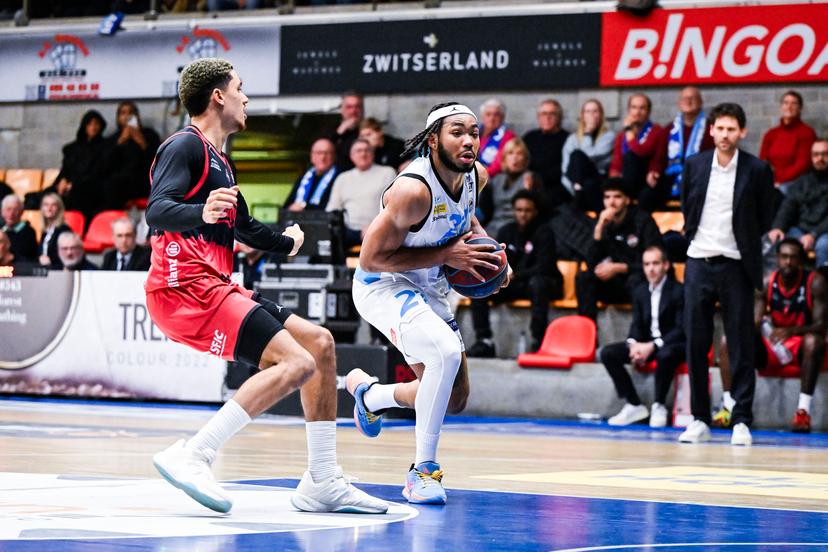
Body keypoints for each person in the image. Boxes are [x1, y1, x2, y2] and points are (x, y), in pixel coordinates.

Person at [144, 58, 387, 515]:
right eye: (240, 87)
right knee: (296, 363)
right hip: (183, 288)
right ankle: (195, 453)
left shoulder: (221, 162)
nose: (246, 97)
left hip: (214, 284)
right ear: (218, 96)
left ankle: (322, 480)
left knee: (319, 345)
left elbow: (243, 224)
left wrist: (286, 242)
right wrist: (201, 213)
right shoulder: (184, 146)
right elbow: (157, 211)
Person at [347, 102, 507, 505]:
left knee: (454, 398)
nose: (468, 139)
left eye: (473, 131)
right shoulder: (412, 191)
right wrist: (446, 257)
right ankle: (422, 472)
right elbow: (369, 259)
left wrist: (491, 259)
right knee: (445, 352)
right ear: (433, 139)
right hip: (382, 284)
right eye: (457, 131)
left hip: (428, 284)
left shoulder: (476, 177)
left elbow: (466, 220)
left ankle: (372, 396)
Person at [679, 102, 776, 447]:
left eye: (731, 129)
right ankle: (699, 419)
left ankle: (741, 420)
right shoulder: (694, 164)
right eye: (719, 128)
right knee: (696, 343)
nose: (724, 135)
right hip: (698, 260)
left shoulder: (757, 169)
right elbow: (688, 206)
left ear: (743, 132)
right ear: (711, 130)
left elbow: (766, 215)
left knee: (740, 344)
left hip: (736, 263)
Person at [714, 239, 826, 433]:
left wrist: (790, 331)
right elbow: (756, 322)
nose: (788, 262)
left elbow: (821, 325)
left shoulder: (815, 282)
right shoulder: (766, 282)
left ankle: (802, 411)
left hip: (800, 342)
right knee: (728, 340)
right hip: (773, 343)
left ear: (801, 261)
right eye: (784, 257)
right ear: (777, 259)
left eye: (793, 257)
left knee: (813, 341)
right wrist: (753, 326)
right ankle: (728, 406)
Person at [468, 189, 562, 358]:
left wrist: (515, 274)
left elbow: (544, 266)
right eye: (519, 210)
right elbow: (499, 260)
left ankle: (538, 341)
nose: (523, 214)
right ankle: (484, 341)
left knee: (538, 283)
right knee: (481, 287)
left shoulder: (545, 231)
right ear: (513, 211)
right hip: (515, 284)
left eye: (527, 210)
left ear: (535, 211)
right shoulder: (506, 231)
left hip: (544, 283)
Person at [600, 245, 685, 427]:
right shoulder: (640, 291)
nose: (651, 269)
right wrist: (633, 345)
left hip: (672, 344)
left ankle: (659, 405)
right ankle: (633, 404)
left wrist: (653, 346)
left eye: (655, 263)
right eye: (647, 264)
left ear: (666, 265)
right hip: (647, 344)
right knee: (608, 353)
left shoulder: (679, 291)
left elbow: (680, 329)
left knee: (665, 354)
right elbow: (637, 325)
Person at [575, 178, 662, 321]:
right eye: (607, 197)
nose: (611, 202)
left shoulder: (643, 221)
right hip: (614, 283)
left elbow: (656, 263)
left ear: (627, 200)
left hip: (639, 280)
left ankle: (641, 335)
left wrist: (619, 268)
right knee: (584, 278)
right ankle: (589, 334)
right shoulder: (603, 223)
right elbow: (591, 264)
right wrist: (598, 230)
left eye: (617, 197)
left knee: (637, 282)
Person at [767, 139, 828, 271]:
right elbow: (788, 206)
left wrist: (813, 234)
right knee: (777, 241)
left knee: (824, 246)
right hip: (800, 230)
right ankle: (774, 286)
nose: (820, 158)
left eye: (825, 154)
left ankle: (820, 286)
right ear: (811, 157)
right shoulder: (802, 181)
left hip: (824, 233)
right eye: (816, 154)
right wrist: (778, 227)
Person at [325, 138, 396, 248]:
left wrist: (373, 227)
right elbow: (332, 209)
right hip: (348, 231)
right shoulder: (343, 178)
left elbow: (393, 207)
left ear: (373, 154)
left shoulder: (387, 173)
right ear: (351, 156)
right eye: (358, 151)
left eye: (367, 150)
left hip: (379, 229)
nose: (363, 154)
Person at [609, 93, 668, 212]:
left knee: (631, 157)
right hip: (627, 180)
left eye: (642, 108)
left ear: (648, 111)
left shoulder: (657, 131)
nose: (637, 112)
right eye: (634, 107)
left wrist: (629, 132)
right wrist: (614, 178)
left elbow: (643, 152)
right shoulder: (621, 136)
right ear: (629, 110)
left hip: (647, 179)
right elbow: (616, 162)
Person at [102, 101, 161, 209]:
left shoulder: (150, 135)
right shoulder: (112, 139)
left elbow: (159, 160)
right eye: (123, 113)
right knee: (110, 184)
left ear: (137, 116)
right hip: (121, 182)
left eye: (131, 113)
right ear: (118, 118)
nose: (127, 116)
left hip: (144, 179)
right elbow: (106, 165)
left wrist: (141, 141)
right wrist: (121, 141)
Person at [478, 137, 542, 237]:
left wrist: (530, 193)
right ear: (504, 158)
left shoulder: (531, 178)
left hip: (517, 230)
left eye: (519, 154)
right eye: (510, 153)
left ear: (525, 159)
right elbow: (486, 209)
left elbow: (541, 209)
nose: (515, 158)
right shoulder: (497, 180)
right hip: (492, 228)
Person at [561, 99, 616, 213]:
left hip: (598, 179)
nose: (591, 115)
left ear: (601, 115)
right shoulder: (572, 139)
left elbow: (591, 155)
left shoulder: (609, 136)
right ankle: (578, 191)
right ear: (582, 115)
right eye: (588, 111)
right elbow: (566, 170)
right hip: (576, 186)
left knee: (577, 155)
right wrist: (574, 188)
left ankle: (579, 195)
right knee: (576, 158)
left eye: (595, 111)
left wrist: (587, 134)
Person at [759, 91, 817, 193]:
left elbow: (802, 165)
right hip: (773, 182)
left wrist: (779, 181)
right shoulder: (771, 134)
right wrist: (771, 181)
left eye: (794, 103)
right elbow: (763, 161)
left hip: (795, 182)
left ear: (799, 108)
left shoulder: (807, 133)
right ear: (781, 107)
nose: (789, 107)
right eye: (786, 103)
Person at [59, 109, 111, 222]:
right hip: (70, 185)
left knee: (79, 192)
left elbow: (100, 171)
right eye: (90, 124)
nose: (93, 127)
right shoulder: (72, 148)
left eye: (96, 124)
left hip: (92, 186)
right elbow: (66, 169)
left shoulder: (106, 147)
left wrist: (74, 184)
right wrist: (63, 180)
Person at [662, 86, 714, 199]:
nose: (688, 101)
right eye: (685, 99)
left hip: (700, 178)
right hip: (672, 177)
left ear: (700, 102)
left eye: (693, 98)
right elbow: (659, 157)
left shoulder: (712, 128)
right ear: (679, 103)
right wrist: (653, 171)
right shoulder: (669, 129)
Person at [522, 99, 570, 205]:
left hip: (555, 186)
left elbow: (565, 168)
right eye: (543, 114)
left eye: (552, 114)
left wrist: (538, 179)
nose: (547, 118)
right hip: (528, 183)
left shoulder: (568, 139)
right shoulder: (529, 137)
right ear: (538, 117)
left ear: (559, 117)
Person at [283, 138, 338, 212]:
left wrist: (304, 206)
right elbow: (287, 206)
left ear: (333, 156)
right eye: (319, 153)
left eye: (327, 153)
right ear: (312, 156)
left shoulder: (341, 178)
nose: (323, 157)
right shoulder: (304, 178)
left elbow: (332, 208)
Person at [478, 98, 517, 177]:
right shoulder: (473, 134)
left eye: (496, 115)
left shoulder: (509, 137)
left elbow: (501, 163)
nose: (492, 118)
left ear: (502, 117)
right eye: (488, 114)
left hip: (493, 179)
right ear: (482, 117)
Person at [326, 91, 364, 171]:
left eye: (357, 107)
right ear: (341, 109)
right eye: (349, 107)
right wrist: (339, 133)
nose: (353, 111)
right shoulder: (331, 130)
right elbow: (322, 150)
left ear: (362, 110)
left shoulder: (367, 130)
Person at [36, 192, 72, 269]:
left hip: (57, 271)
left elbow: (66, 256)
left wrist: (50, 261)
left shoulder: (64, 230)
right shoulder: (45, 231)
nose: (49, 208)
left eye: (53, 205)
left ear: (59, 209)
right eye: (46, 205)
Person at [1, 194, 38, 263]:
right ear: (2, 212)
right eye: (8, 209)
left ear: (21, 212)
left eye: (15, 210)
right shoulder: (1, 231)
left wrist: (12, 257)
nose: (11, 214)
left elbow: (30, 258)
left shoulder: (29, 232)